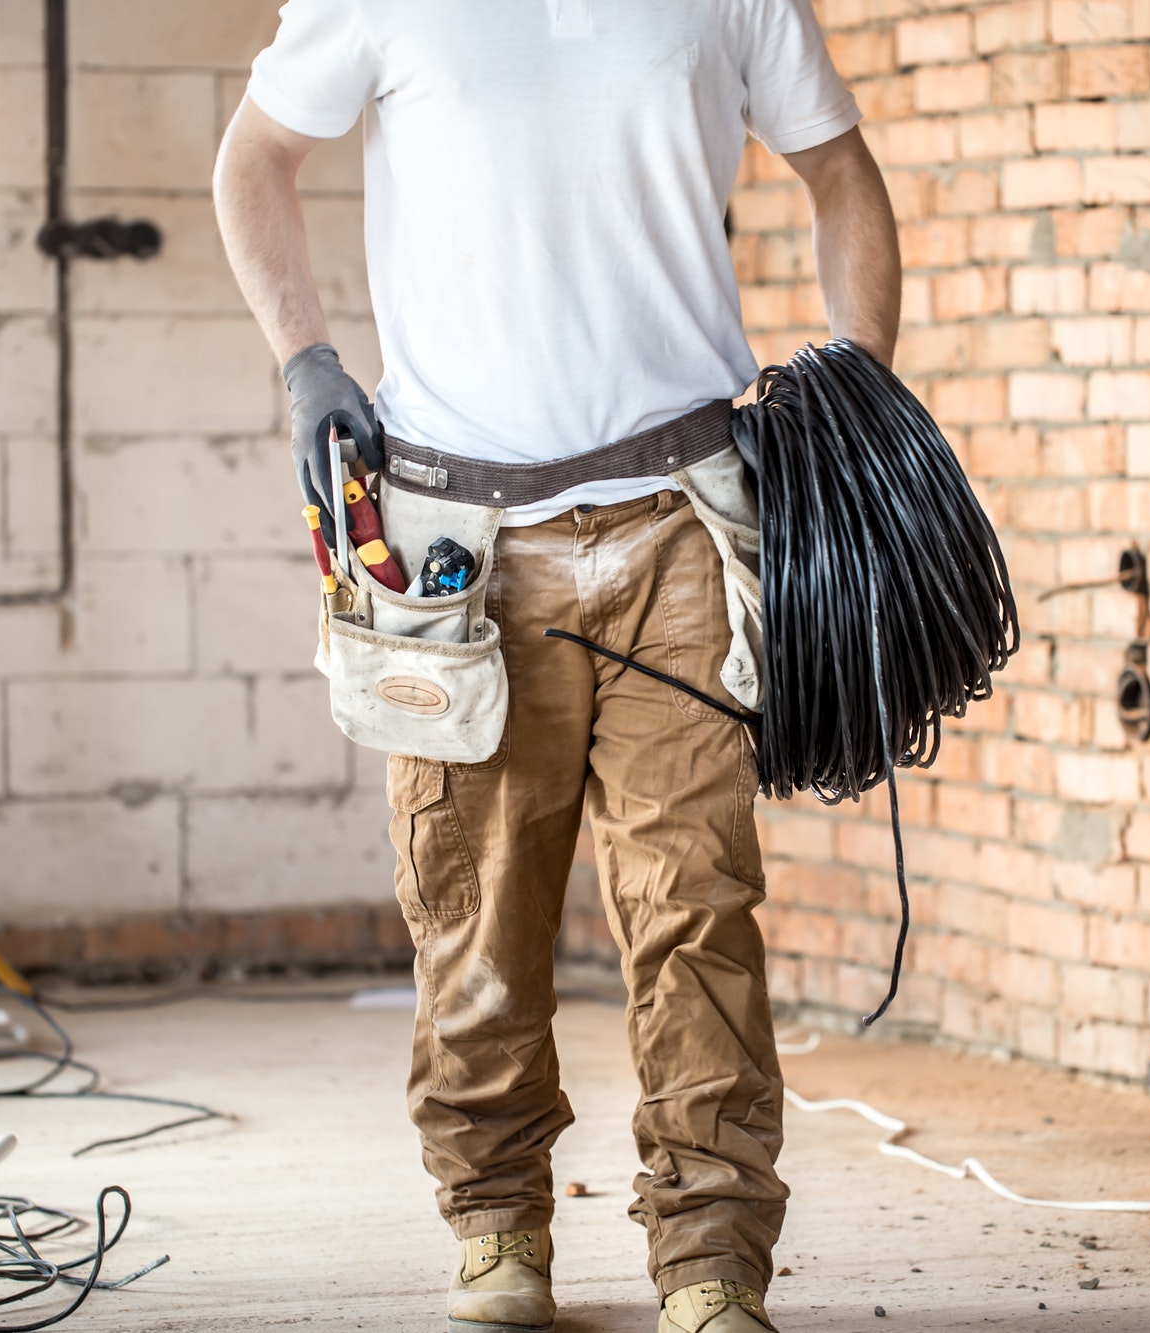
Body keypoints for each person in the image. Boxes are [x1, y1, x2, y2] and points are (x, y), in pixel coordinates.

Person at [213, 4, 898, 1330]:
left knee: (698, 905)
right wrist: (306, 362)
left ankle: (710, 1260)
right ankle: (495, 1227)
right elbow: (254, 158)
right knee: (474, 907)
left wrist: (860, 391)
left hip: (683, 521)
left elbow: (841, 175)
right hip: (461, 545)